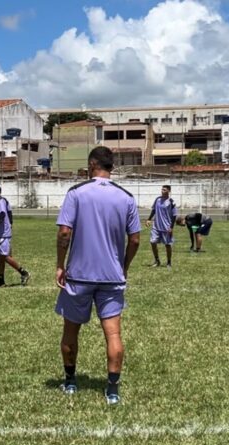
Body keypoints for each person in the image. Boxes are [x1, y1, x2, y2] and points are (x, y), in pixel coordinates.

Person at [55, 146, 141, 405]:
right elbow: (135, 239)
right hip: (111, 277)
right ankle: (112, 390)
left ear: (92, 164)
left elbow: (64, 233)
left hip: (79, 275)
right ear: (111, 166)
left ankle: (70, 382)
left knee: (71, 331)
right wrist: (123, 266)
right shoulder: (126, 197)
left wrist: (60, 265)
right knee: (113, 334)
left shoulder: (76, 193)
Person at [0, 180, 30, 287]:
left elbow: (2, 215)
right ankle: (1, 281)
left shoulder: (0, 200)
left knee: (4, 256)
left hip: (3, 233)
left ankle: (24, 273)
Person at [146, 185, 177, 268]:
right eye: (162, 189)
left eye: (164, 190)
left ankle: (169, 262)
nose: (162, 191)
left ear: (169, 191)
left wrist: (171, 227)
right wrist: (149, 219)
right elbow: (154, 210)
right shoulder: (157, 199)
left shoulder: (171, 202)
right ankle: (157, 260)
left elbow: (174, 216)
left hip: (166, 227)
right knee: (152, 242)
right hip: (156, 226)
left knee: (167, 245)